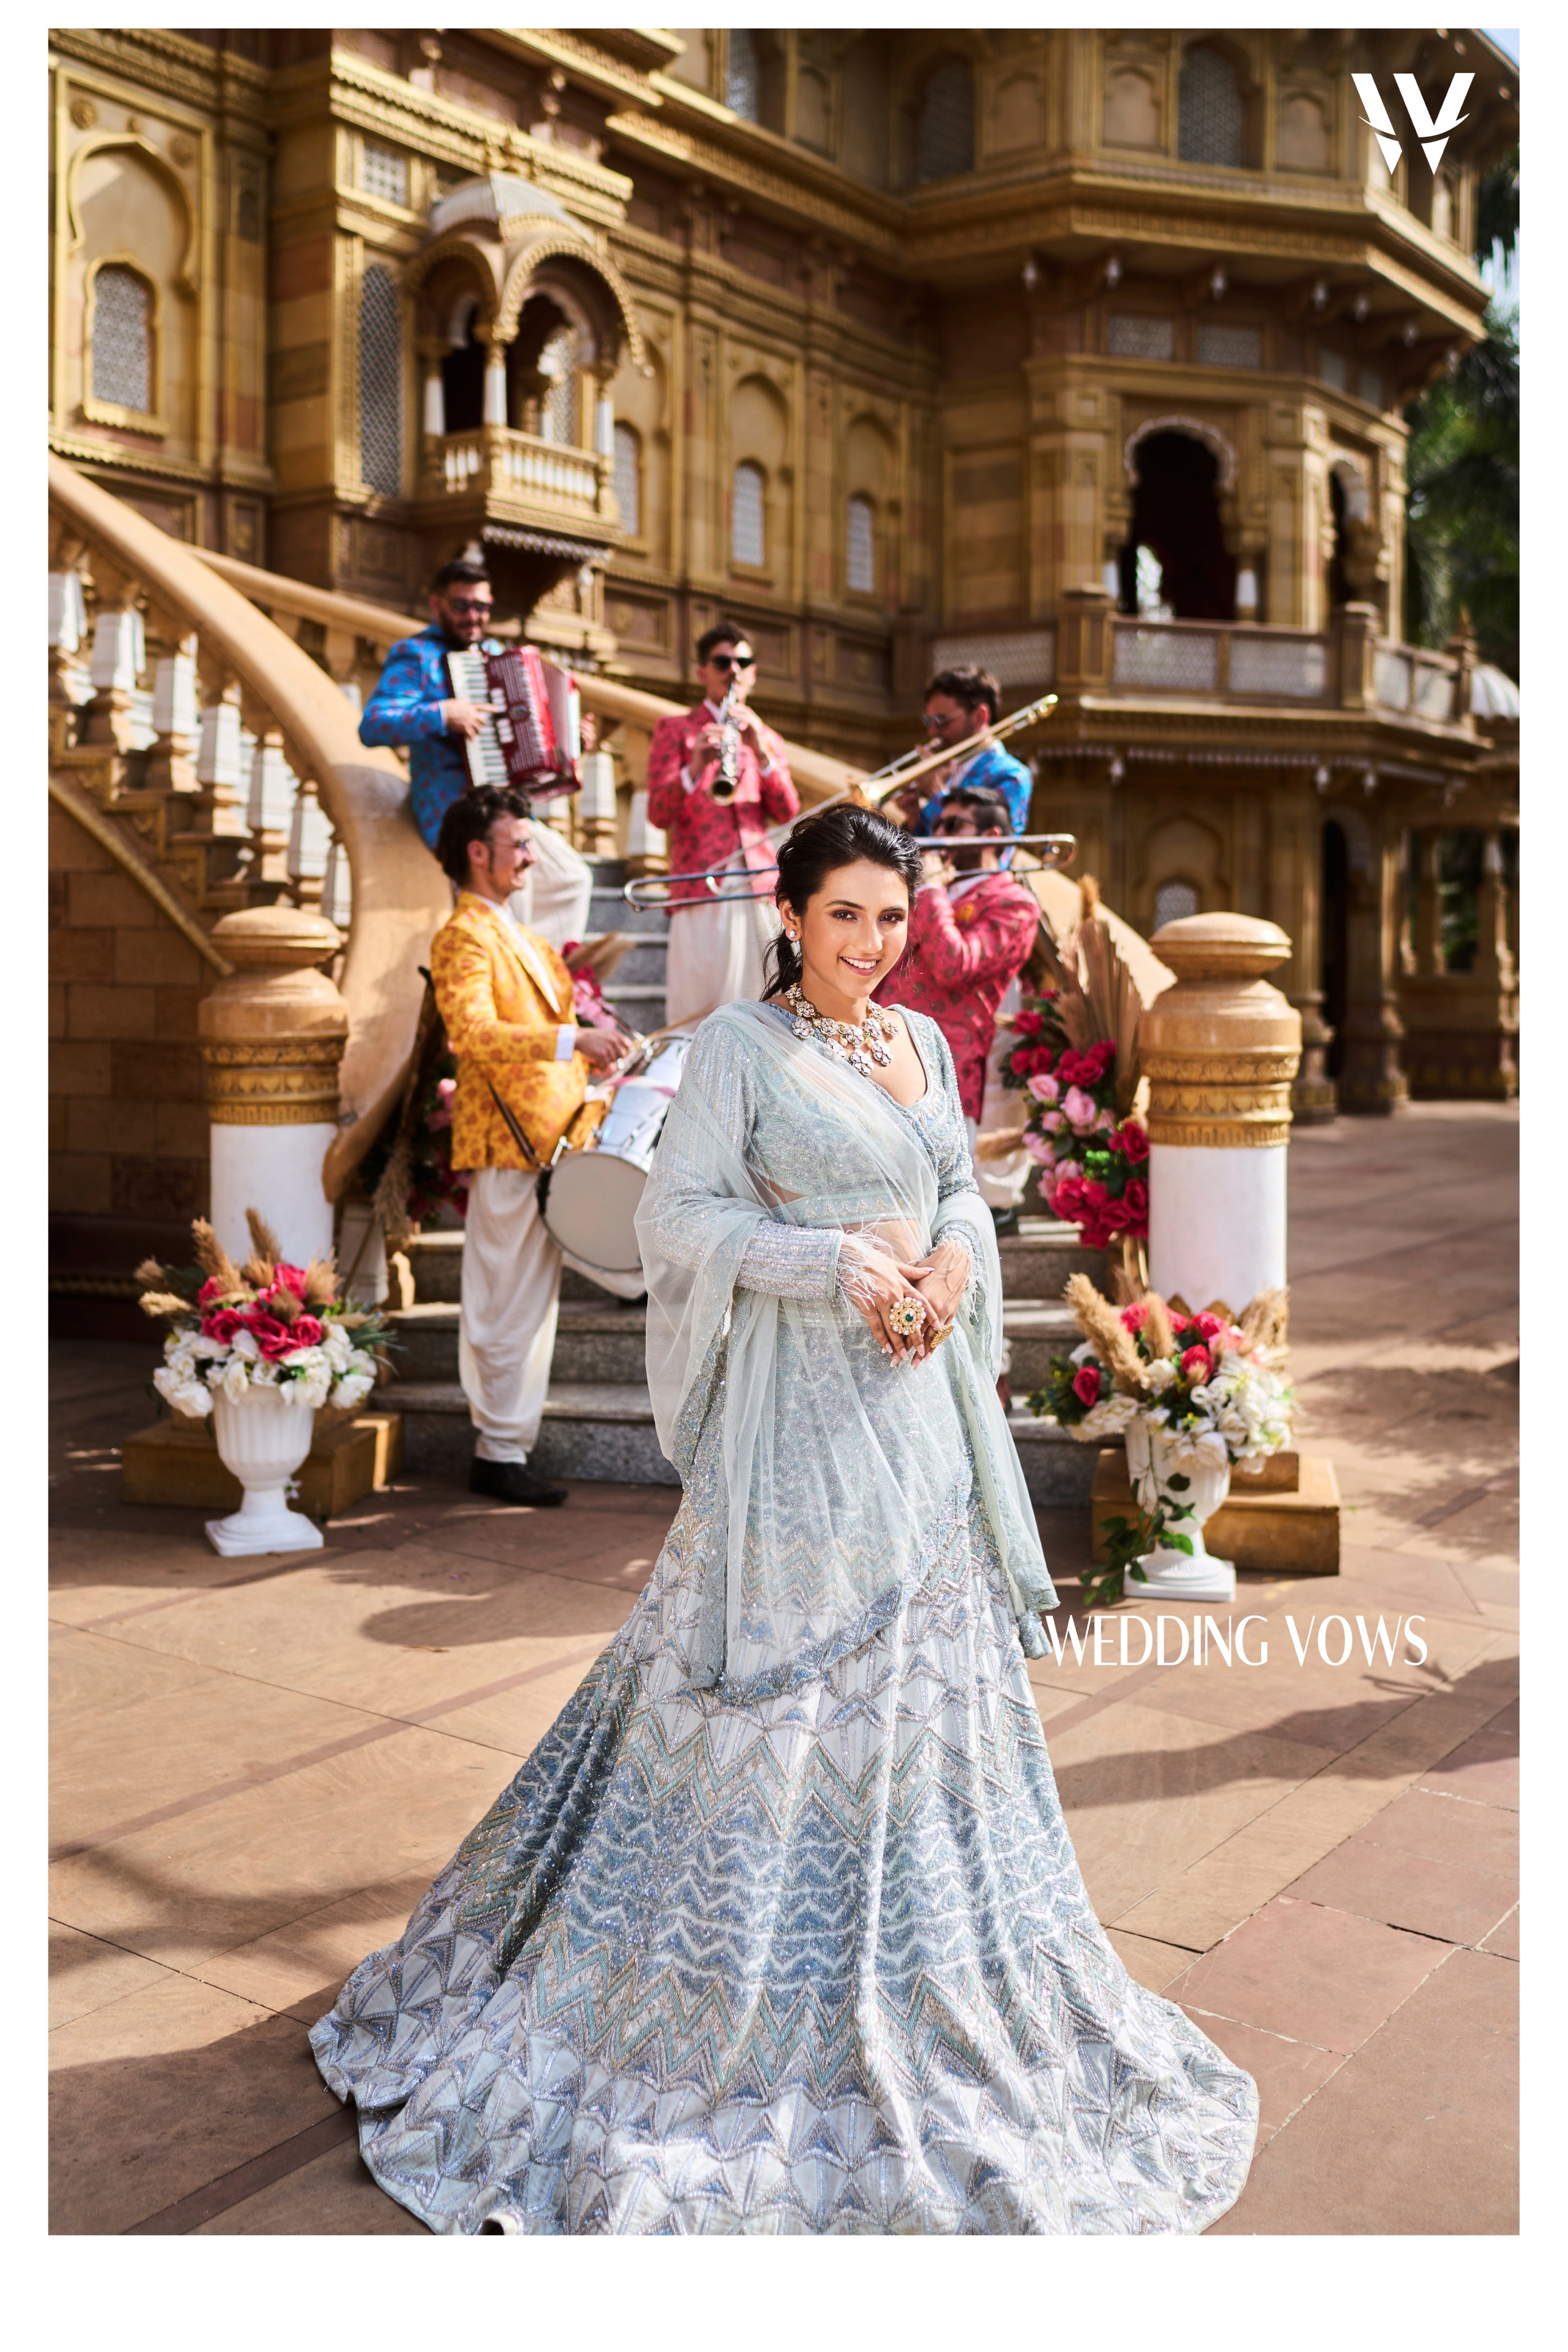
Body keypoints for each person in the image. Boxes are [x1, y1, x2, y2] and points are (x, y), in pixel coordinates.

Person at [311, 802, 1258, 2235]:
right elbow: (677, 1223)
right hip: (793, 1426)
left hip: (916, 1419)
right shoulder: (735, 1053)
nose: (872, 947)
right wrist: (832, 1266)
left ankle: (936, 1987)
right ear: (794, 922)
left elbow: (953, 1183)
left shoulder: (925, 1044)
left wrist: (945, 1263)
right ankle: (720, 2012)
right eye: (845, 920)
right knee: (759, 1712)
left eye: (890, 918)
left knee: (926, 1721)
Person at [426, 786, 623, 1508]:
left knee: (529, 1307)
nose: (533, 857)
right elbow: (472, 1035)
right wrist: (576, 1039)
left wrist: (597, 1065)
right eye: (520, 844)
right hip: (507, 1143)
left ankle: (506, 1447)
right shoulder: (464, 935)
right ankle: (497, 1450)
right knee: (504, 1304)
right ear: (478, 854)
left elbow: (551, 1039)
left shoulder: (524, 936)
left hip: (551, 1140)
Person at [360, 556, 592, 950]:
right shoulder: (416, 654)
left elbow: (527, 737)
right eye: (461, 605)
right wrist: (441, 713)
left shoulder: (499, 655)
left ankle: (547, 973)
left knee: (572, 878)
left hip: (508, 810)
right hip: (456, 813)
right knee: (513, 895)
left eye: (482, 606)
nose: (473, 616)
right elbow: (374, 725)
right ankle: (519, 981)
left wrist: (569, 741)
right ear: (437, 605)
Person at [873, 783, 1040, 1225]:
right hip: (888, 1043)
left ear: (989, 837)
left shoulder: (1015, 902)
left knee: (935, 1204)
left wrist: (930, 893)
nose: (937, 833)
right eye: (937, 823)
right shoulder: (936, 892)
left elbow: (956, 965)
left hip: (950, 1062)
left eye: (952, 825)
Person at [644, 620, 800, 1024]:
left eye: (743, 662)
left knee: (759, 1006)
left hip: (756, 883)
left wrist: (762, 753)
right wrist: (694, 766)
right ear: (703, 672)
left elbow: (786, 810)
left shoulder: (766, 736)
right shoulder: (674, 730)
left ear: (753, 673)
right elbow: (658, 814)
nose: (734, 669)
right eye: (722, 661)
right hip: (698, 880)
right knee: (696, 1008)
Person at [886, 662, 1033, 840]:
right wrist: (914, 817)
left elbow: (993, 853)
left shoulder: (1010, 776)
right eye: (929, 722)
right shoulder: (947, 768)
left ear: (980, 716)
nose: (932, 732)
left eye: (942, 721)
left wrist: (938, 794)